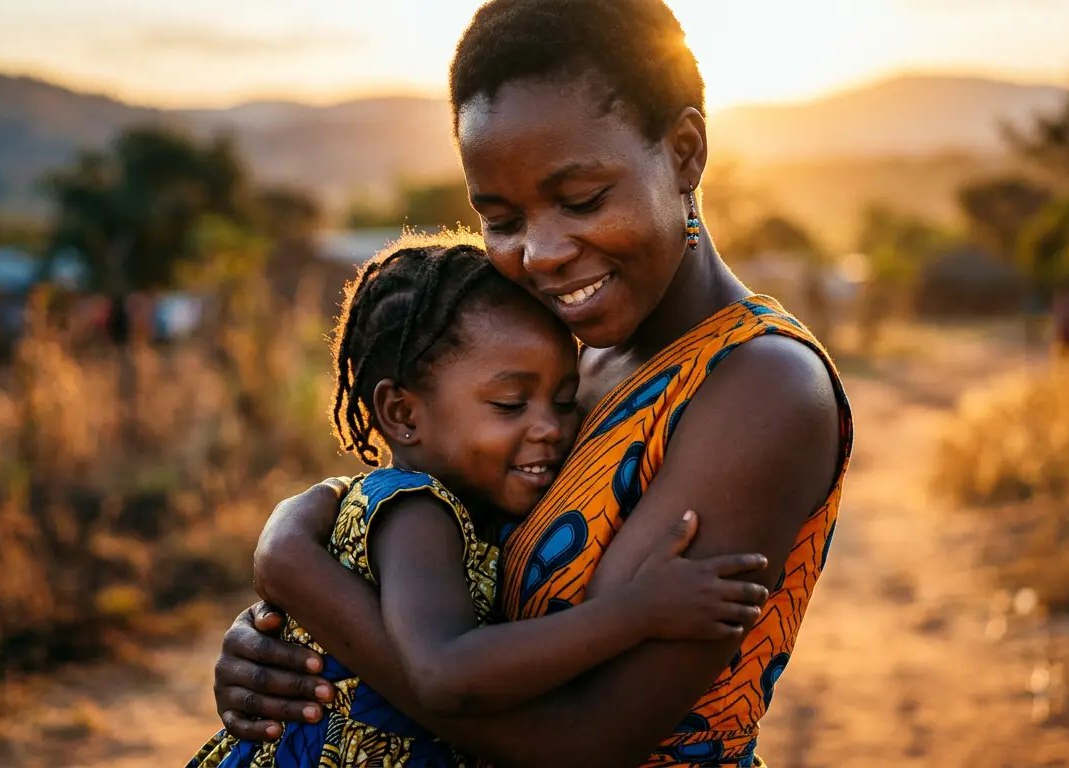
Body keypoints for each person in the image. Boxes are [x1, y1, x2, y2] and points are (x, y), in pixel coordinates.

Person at [212, 2, 854, 765]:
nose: (541, 253)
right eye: (503, 219)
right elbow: (433, 523)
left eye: (582, 200)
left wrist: (305, 583)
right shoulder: (573, 362)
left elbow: (584, 742)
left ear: (685, 153)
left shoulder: (760, 386)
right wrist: (296, 641)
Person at [187, 238, 769, 767]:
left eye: (564, 401)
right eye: (511, 405)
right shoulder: (417, 514)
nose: (550, 428)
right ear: (403, 413)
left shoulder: (466, 507)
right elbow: (446, 671)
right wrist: (636, 611)